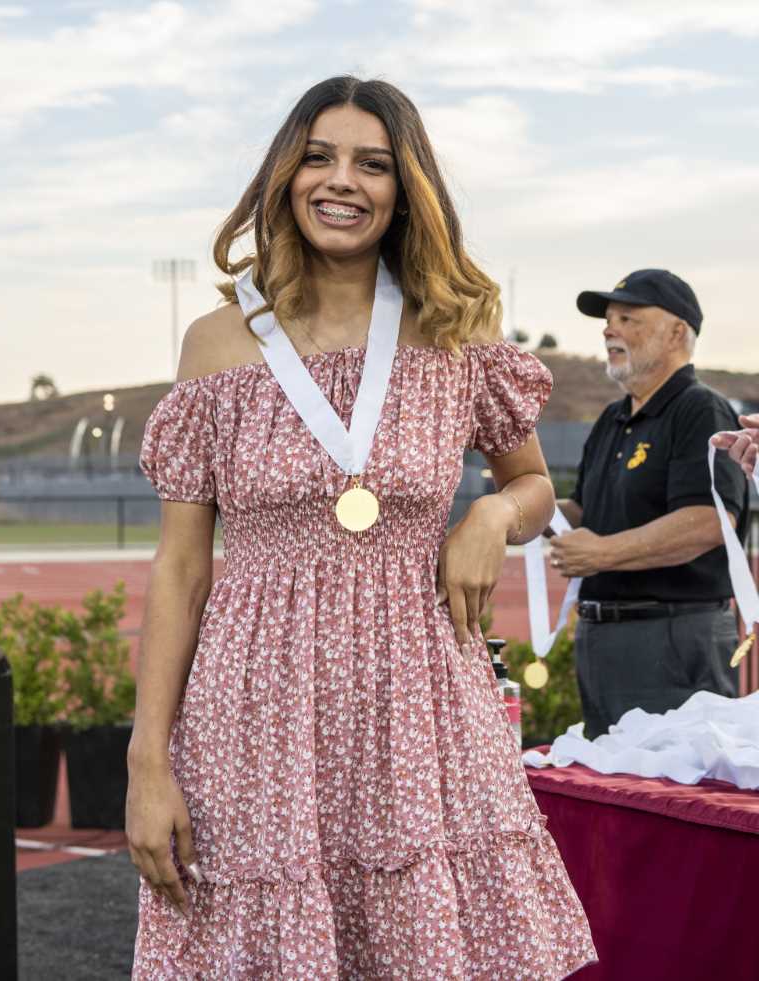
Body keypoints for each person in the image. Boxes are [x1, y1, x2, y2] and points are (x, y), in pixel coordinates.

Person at [126, 76, 597, 978]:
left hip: (421, 709)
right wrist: (149, 762)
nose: (342, 181)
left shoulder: (457, 334)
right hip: (254, 716)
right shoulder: (217, 344)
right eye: (318, 156)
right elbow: (181, 569)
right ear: (283, 177)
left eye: (372, 164)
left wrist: (493, 511)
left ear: (404, 187)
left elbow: (534, 483)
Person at [551, 269, 749, 740]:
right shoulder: (612, 418)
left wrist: (600, 553)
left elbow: (707, 521)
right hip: (603, 638)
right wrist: (518, 510)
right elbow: (583, 511)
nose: (608, 329)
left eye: (628, 318)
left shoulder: (700, 409)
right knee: (614, 793)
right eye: (608, 319)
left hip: (674, 636)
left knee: (672, 793)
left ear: (677, 332)